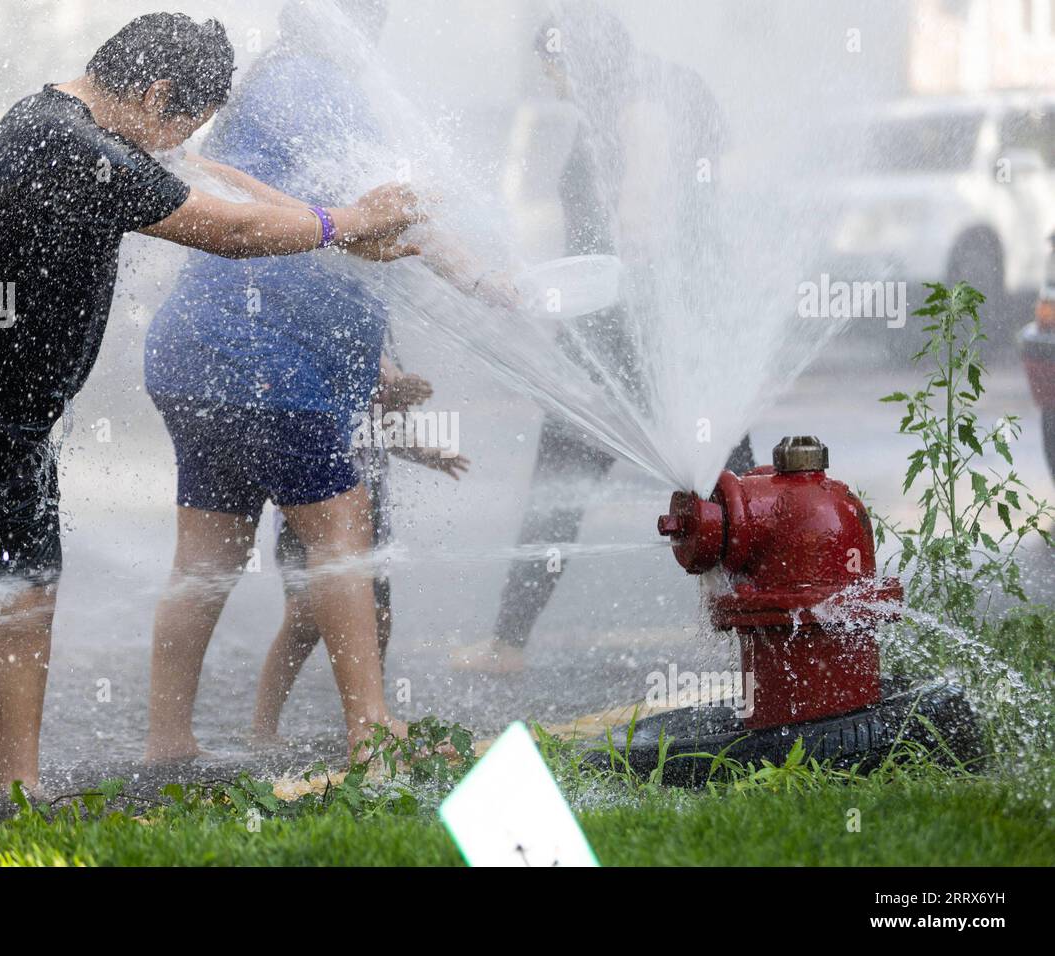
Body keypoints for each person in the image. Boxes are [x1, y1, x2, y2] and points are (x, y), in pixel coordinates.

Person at [0, 12, 421, 812]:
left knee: (25, 596)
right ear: (157, 92)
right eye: (181, 124)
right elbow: (231, 229)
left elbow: (225, 186)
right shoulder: (66, 140)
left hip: (13, 403)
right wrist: (345, 222)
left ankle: (17, 791)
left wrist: (344, 237)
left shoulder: (98, 132)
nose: (176, 145)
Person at [142, 0, 496, 764]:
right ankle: (370, 729)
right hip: (263, 356)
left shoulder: (275, 82)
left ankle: (167, 740)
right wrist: (487, 280)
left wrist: (376, 365)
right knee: (341, 532)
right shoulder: (314, 82)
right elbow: (383, 207)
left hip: (199, 350)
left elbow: (321, 230)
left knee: (208, 557)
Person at [452, 8, 753, 675]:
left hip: (623, 328)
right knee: (727, 476)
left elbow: (638, 220)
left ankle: (508, 644)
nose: (553, 85)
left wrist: (604, 296)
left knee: (565, 475)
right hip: (662, 322)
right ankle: (758, 620)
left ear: (579, 61)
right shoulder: (660, 90)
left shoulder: (636, 109)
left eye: (554, 70)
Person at [252, 355, 469, 743]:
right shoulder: (322, 338)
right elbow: (326, 414)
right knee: (303, 623)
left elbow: (382, 428)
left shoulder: (377, 337)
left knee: (378, 621)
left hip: (369, 521)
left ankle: (370, 717)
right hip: (308, 518)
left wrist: (428, 454)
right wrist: (388, 390)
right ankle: (262, 728)